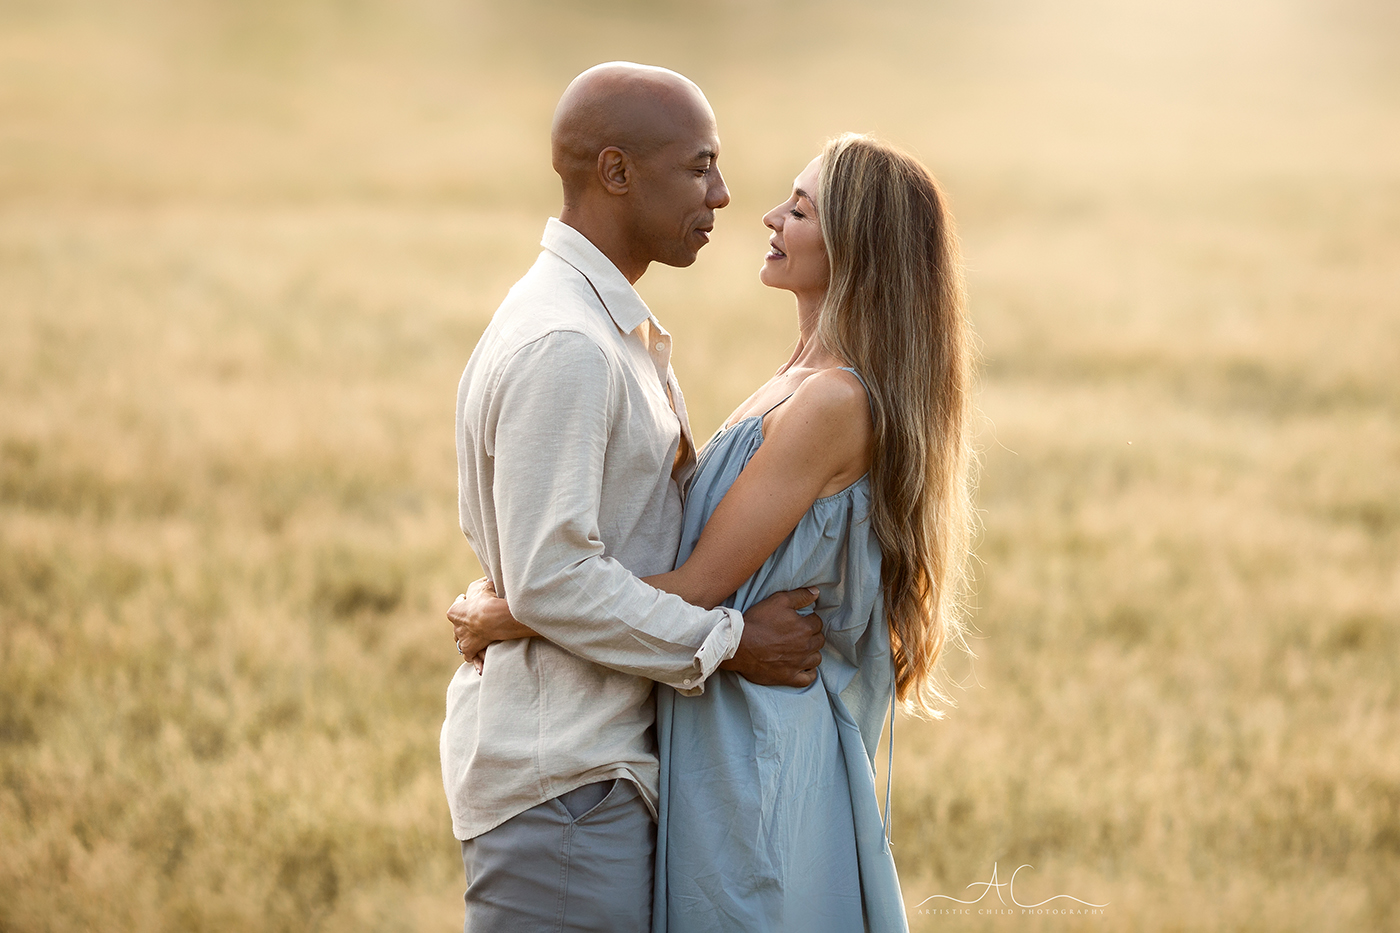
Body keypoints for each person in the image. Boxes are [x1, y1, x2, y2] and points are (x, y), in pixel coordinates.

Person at [454, 133, 977, 932]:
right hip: (714, 718)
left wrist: (514, 611)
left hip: (756, 739)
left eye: (799, 209)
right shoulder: (795, 380)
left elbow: (700, 582)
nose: (766, 215)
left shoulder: (834, 402)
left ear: (856, 248)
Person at [441, 62, 830, 933]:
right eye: (698, 167)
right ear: (616, 173)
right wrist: (732, 643)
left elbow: (552, 574)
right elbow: (556, 579)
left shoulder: (594, 323)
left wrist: (510, 610)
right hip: (564, 786)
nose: (724, 195)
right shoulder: (567, 344)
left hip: (587, 782)